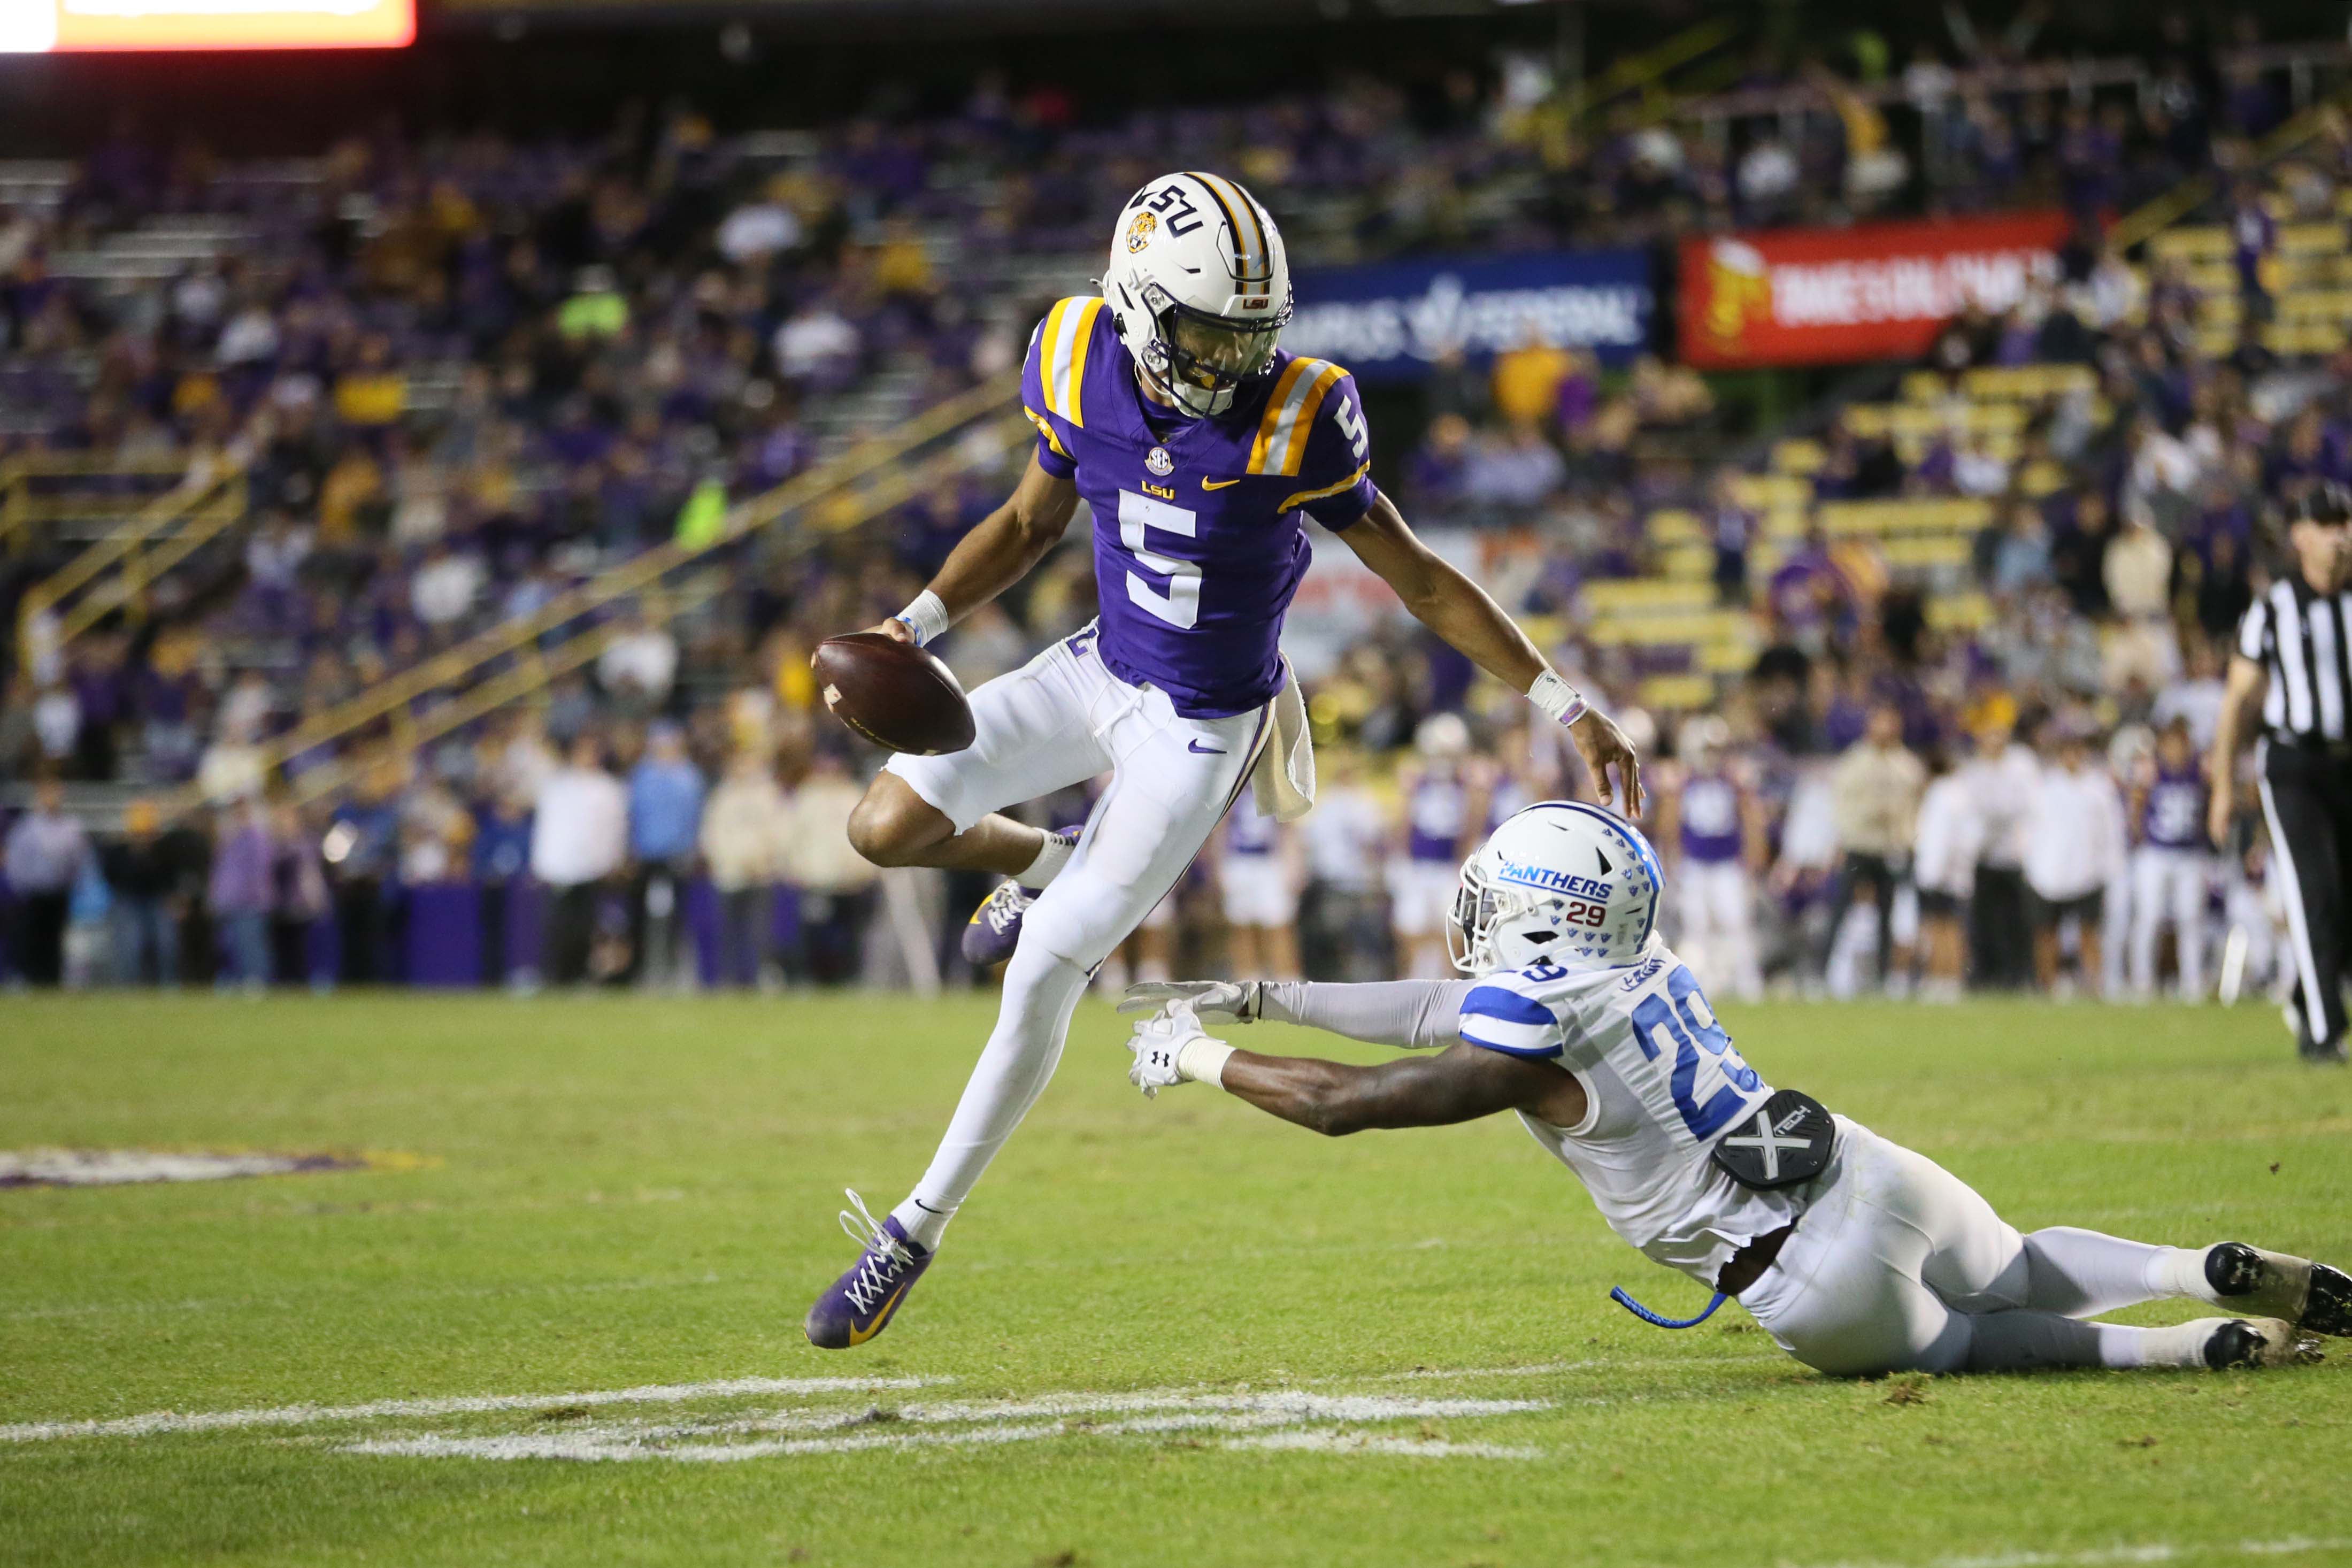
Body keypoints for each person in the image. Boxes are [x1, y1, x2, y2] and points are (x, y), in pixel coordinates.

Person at [804, 172, 1645, 1349]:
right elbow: (1031, 520)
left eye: (1253, 332)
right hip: (1099, 662)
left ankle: (913, 1228)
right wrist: (919, 623)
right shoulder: (1070, 349)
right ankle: (1051, 858)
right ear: (1139, 305)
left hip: (1202, 726)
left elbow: (1419, 578)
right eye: (1209, 330)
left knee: (1043, 968)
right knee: (882, 828)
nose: (1233, 355)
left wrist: (1564, 698)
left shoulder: (1304, 410)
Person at [1117, 802, 2349, 1377]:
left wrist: (1198, 1055)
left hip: (1803, 1275)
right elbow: (1432, 1005)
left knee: (1988, 1345)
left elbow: (1354, 1100)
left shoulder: (1528, 1031)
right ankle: (2198, 1266)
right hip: (1858, 1163)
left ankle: (2201, 1344)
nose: (1476, 918)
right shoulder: (1634, 956)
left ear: (1545, 913)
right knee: (2021, 1259)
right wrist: (1263, 994)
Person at [2210, 483, 2352, 1062]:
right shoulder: (2273, 607)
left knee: (2343, 902)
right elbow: (2236, 702)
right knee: (2313, 892)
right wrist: (2222, 785)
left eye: (2345, 521)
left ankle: (2305, 995)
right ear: (2300, 536)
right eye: (2326, 524)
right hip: (2293, 764)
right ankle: (2322, 1038)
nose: (2340, 534)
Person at [1653, 716, 1764, 1002]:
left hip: (1727, 863)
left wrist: (1753, 859)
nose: (1711, 757)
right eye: (1707, 750)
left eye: (1716, 750)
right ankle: (1698, 987)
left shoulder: (1734, 781)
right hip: (1694, 863)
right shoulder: (1682, 783)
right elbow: (1669, 827)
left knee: (1735, 921)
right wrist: (1671, 863)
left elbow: (1750, 820)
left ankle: (1748, 983)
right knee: (1696, 926)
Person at [1822, 703, 1923, 993]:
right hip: (1859, 845)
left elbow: (1914, 808)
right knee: (1839, 911)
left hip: (1889, 849)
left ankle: (1884, 976)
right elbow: (1841, 807)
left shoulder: (1906, 765)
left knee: (1888, 915)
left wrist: (1907, 840)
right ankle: (1821, 972)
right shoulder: (1854, 763)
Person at [2025, 721, 2128, 996]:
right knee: (2047, 934)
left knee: (2089, 933)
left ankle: (2094, 987)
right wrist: (2032, 866)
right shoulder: (2044, 787)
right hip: (2049, 872)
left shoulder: (2099, 788)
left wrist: (2112, 867)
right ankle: (2047, 987)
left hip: (2088, 872)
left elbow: (2113, 830)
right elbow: (2031, 830)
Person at [1388, 713, 1484, 979]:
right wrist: (1400, 858)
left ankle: (1447, 986)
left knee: (1451, 930)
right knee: (1410, 926)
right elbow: (1403, 825)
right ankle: (1408, 985)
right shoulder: (1416, 782)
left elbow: (1473, 826)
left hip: (1450, 866)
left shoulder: (1469, 784)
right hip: (1418, 864)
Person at [532, 733, 628, 987]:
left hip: (593, 867)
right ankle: (556, 976)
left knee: (586, 927)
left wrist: (613, 860)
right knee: (557, 925)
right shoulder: (557, 786)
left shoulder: (608, 788)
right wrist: (541, 862)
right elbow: (547, 827)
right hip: (560, 867)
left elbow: (616, 828)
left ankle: (582, 975)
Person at [2128, 719, 2212, 1000]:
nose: (2176, 750)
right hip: (2156, 852)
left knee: (2191, 918)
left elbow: (2210, 804)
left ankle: (2193, 984)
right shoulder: (2151, 771)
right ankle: (2143, 984)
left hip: (2189, 853)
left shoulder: (2200, 769)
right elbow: (2137, 805)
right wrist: (2139, 836)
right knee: (2149, 918)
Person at [702, 748, 790, 988]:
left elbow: (780, 831)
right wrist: (725, 861)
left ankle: (762, 977)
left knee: (760, 931)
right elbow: (712, 834)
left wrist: (764, 860)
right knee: (728, 930)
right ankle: (728, 980)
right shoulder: (722, 796)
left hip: (760, 874)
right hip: (729, 874)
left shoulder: (768, 795)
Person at [627, 722, 706, 989]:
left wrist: (691, 848)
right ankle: (643, 969)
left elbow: (694, 817)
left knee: (677, 918)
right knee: (641, 917)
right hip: (648, 855)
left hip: (677, 855)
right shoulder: (643, 776)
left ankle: (675, 971)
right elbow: (634, 815)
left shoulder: (688, 776)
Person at [1910, 748, 1982, 1004]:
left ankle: (1946, 979)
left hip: (1942, 874)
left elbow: (1940, 840)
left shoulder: (1941, 795)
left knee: (1945, 929)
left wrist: (1934, 874)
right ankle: (1944, 979)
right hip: (1956, 873)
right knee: (1947, 928)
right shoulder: (1960, 795)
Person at [5, 776, 88, 987]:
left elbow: (79, 860)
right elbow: (16, 861)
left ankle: (53, 981)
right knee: (33, 939)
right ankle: (33, 980)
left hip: (59, 892)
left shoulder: (71, 826)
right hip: (34, 893)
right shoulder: (28, 827)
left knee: (55, 940)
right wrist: (21, 888)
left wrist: (72, 884)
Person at [1216, 790, 1302, 983]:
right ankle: (1247, 981)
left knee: (1277, 925)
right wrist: (1218, 864)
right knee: (1241, 925)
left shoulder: (1274, 779)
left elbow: (1288, 824)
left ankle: (1286, 980)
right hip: (1238, 860)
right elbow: (1222, 825)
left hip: (1269, 861)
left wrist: (1294, 865)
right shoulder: (1232, 782)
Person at [99, 797, 181, 986]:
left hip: (157, 900)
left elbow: (167, 878)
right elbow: (113, 877)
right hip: (128, 900)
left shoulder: (163, 850)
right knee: (130, 947)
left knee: (165, 943)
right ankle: (128, 986)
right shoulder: (119, 851)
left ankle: (168, 985)